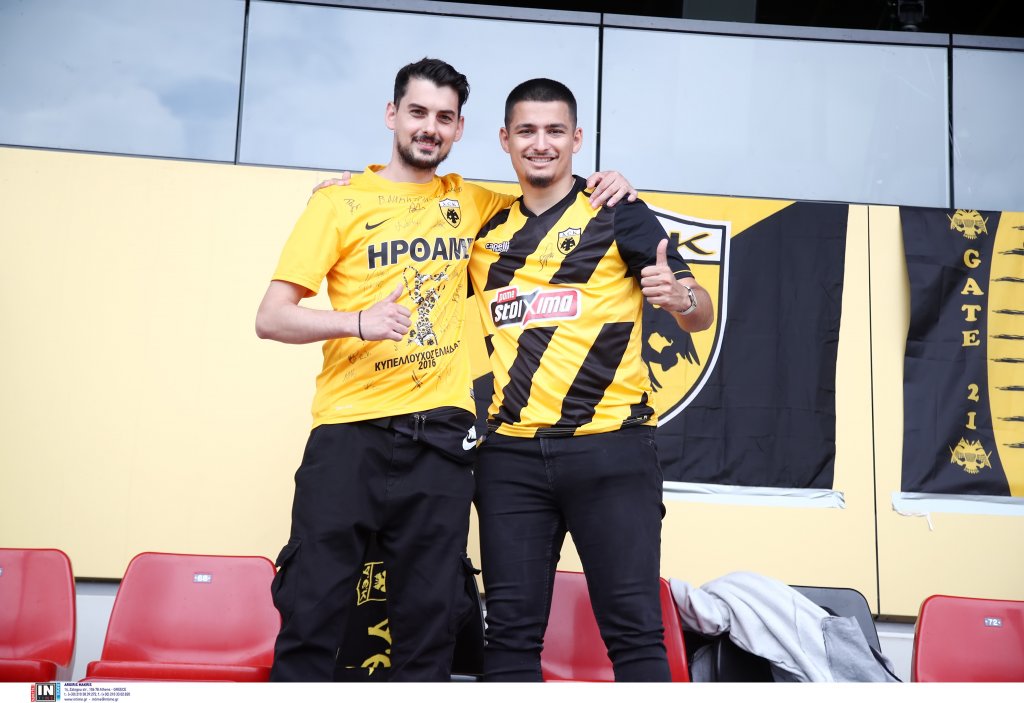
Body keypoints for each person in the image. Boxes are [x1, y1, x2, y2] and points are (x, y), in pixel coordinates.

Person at [255, 58, 636, 682]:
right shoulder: (338, 203)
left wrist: (609, 181)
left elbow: (551, 193)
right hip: (351, 431)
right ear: (392, 115)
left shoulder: (476, 203)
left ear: (460, 129)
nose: (428, 128)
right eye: (417, 113)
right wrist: (357, 321)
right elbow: (271, 318)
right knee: (312, 607)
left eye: (444, 118)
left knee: (431, 623)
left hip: (441, 440)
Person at [467, 77, 714, 682]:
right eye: (527, 131)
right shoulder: (482, 227)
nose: (541, 143)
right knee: (509, 639)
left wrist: (679, 297)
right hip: (510, 460)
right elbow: (408, 205)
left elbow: (700, 311)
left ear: (577, 139)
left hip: (612, 451)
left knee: (635, 635)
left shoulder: (618, 210)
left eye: (555, 131)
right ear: (504, 139)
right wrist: (350, 190)